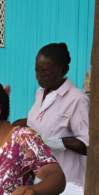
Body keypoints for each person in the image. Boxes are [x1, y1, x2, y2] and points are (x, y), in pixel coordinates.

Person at [13, 43, 89, 186]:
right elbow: (38, 121)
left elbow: (87, 146)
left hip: (67, 182)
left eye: (45, 72)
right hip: (41, 177)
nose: (39, 76)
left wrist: (52, 142)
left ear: (64, 70)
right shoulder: (40, 92)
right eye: (37, 70)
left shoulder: (77, 99)